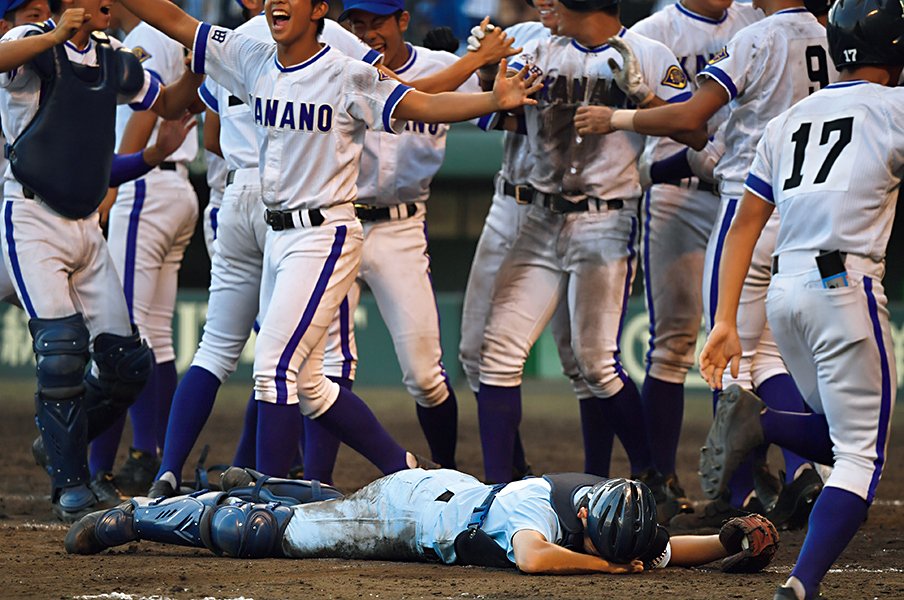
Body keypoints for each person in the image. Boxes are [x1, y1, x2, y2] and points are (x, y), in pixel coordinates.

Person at [117, 0, 540, 489]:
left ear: (318, 9)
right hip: (276, 232)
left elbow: (421, 103)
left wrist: (492, 100)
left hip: (324, 232)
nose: (277, 2)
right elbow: (176, 20)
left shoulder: (347, 71)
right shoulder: (251, 55)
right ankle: (407, 472)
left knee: (274, 370)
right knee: (313, 386)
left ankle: (266, 501)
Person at [574, 0, 835, 527]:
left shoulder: (757, 35)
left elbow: (695, 118)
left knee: (728, 349)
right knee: (767, 353)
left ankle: (751, 485)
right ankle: (800, 472)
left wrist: (619, 114)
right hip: (801, 204)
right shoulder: (830, 38)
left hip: (745, 199)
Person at [697, 0, 904, 597]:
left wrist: (726, 320)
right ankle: (800, 585)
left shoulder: (790, 119)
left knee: (833, 435)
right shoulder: (893, 107)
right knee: (862, 460)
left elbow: (744, 225)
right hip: (845, 285)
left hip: (784, 292)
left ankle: (763, 422)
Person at [473, 0, 701, 488]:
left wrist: (639, 99)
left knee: (595, 362)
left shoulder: (649, 53)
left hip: (605, 219)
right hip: (538, 214)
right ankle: (494, 494)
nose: (544, 5)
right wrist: (487, 73)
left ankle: (651, 475)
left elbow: (694, 129)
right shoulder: (534, 45)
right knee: (496, 354)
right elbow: (502, 116)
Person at [0, 0, 206, 520]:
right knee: (63, 350)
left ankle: (59, 443)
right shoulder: (32, 40)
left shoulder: (113, 57)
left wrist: (197, 72)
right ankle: (71, 483)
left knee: (126, 365)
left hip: (87, 223)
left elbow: (169, 102)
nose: (111, 5)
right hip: (31, 215)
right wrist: (52, 37)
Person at [307, 0, 486, 479]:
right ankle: (315, 483)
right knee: (327, 368)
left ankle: (448, 473)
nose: (368, 32)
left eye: (378, 22)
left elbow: (494, 111)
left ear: (402, 20)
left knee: (426, 375)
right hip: (339, 220)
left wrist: (488, 62)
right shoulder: (336, 66)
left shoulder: (442, 67)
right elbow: (402, 94)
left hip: (401, 226)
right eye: (358, 23)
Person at [65, 466, 779, 579]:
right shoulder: (540, 514)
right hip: (410, 514)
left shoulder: (606, 509)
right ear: (588, 523)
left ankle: (253, 481)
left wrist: (722, 542)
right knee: (270, 537)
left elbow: (652, 550)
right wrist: (609, 569)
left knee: (320, 510)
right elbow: (533, 558)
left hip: (441, 491)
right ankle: (140, 514)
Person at [628, 0, 760, 527]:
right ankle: (659, 478)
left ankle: (740, 485)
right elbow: (638, 135)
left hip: (749, 194)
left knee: (746, 343)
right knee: (674, 342)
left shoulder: (758, 23)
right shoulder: (653, 32)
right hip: (679, 192)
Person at [85, 3, 205, 499]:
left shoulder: (148, 36)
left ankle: (102, 466)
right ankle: (149, 455)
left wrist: (111, 189)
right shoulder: (162, 33)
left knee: (119, 333)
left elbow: (145, 113)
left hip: (145, 187)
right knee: (155, 334)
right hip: (174, 189)